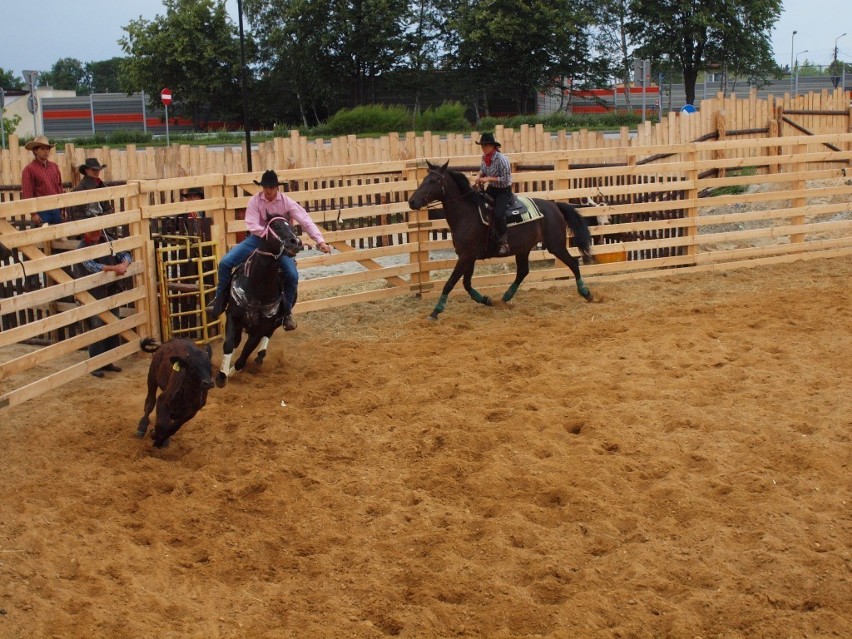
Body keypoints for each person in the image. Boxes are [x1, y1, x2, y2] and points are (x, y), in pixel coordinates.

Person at [205, 170, 332, 331]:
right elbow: (251, 224)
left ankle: (287, 313)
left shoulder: (286, 202)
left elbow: (305, 220)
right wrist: (268, 233)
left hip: (279, 245)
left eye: (271, 187)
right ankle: (220, 300)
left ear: (276, 188)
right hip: (257, 239)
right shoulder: (255, 201)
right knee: (225, 263)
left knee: (292, 275)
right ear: (262, 187)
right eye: (266, 187)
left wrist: (320, 241)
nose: (268, 191)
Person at [75, 228, 132, 377]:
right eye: (92, 231)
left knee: (113, 324)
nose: (96, 234)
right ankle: (95, 364)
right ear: (86, 232)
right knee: (97, 327)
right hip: (93, 294)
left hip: (109, 291)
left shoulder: (108, 240)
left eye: (98, 231)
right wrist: (116, 267)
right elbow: (91, 267)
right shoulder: (82, 247)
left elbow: (125, 254)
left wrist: (124, 265)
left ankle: (108, 361)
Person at [473, 132, 512, 256]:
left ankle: (504, 242)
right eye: (482, 145)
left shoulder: (502, 159)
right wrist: (479, 176)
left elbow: (505, 179)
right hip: (492, 189)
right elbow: (483, 170)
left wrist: (488, 179)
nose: (482, 148)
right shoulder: (485, 157)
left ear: (491, 146)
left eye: (484, 145)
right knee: (478, 204)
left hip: (503, 191)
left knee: (499, 214)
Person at [21, 135, 66, 226]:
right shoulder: (29, 169)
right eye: (42, 149)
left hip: (56, 208)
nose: (46, 151)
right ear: (35, 151)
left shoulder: (54, 167)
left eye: (47, 149)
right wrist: (33, 214)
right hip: (42, 211)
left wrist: (63, 208)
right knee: (43, 238)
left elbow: (59, 187)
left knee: (58, 238)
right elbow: (28, 193)